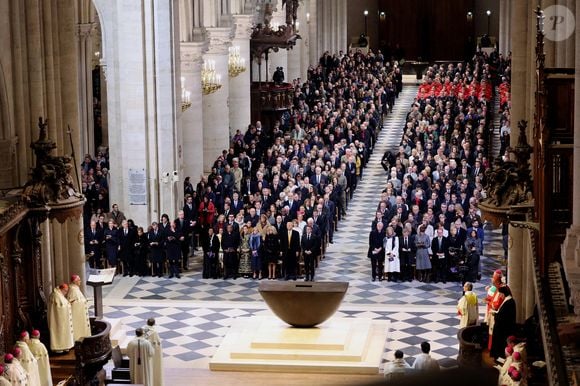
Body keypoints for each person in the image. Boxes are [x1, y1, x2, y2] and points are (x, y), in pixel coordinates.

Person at [490, 286, 516, 359]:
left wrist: (495, 314)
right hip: (502, 326)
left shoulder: (509, 302)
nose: (500, 296)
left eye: (500, 294)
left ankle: (499, 357)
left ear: (504, 294)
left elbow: (504, 316)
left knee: (500, 344)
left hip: (503, 328)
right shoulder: (508, 300)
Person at [48, 283, 74, 352]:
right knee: (59, 333)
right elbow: (59, 308)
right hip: (58, 319)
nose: (65, 293)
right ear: (61, 289)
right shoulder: (55, 296)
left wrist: (68, 304)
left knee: (63, 333)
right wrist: (68, 305)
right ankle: (59, 348)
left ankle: (64, 346)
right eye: (65, 291)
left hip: (62, 319)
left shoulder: (58, 295)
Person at [67, 274, 91, 341]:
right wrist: (83, 302)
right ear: (75, 281)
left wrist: (83, 300)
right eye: (79, 280)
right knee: (77, 327)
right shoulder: (73, 290)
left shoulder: (75, 288)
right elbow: (72, 302)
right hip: (76, 313)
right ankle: (78, 339)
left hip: (80, 312)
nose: (80, 281)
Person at [143, 319, 163, 386]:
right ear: (154, 324)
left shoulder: (142, 329)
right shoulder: (154, 332)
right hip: (152, 353)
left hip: (144, 352)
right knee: (153, 367)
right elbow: (158, 344)